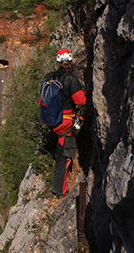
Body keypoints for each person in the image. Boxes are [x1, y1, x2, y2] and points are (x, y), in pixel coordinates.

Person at [45, 48, 86, 198]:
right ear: (70, 61)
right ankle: (59, 191)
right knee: (65, 155)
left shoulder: (49, 77)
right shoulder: (70, 79)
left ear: (57, 61)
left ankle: (58, 187)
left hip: (52, 120)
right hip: (65, 122)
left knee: (61, 151)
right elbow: (80, 101)